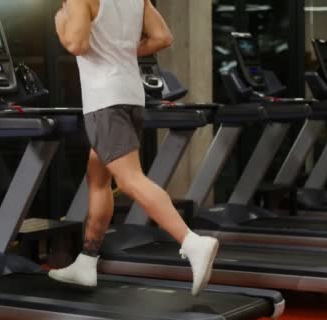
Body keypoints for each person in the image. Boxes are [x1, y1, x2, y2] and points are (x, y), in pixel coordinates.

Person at [49, 0, 219, 296]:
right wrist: (122, 52)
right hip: (130, 95)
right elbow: (163, 38)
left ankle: (192, 242)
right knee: (98, 179)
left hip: (104, 100)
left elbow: (76, 43)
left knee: (129, 180)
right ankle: (87, 261)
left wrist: (60, 21)